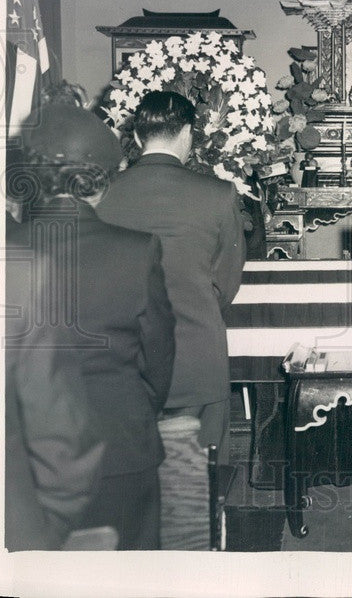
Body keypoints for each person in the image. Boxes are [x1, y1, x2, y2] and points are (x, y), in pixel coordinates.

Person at [9, 103, 175, 549]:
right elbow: (159, 361)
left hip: (19, 463)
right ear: (101, 180)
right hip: (120, 448)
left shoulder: (1, 253)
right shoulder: (135, 251)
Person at [97, 91, 245, 463]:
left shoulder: (103, 195)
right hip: (195, 357)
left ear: (135, 137)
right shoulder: (218, 194)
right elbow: (225, 285)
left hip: (123, 363)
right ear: (187, 134)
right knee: (200, 484)